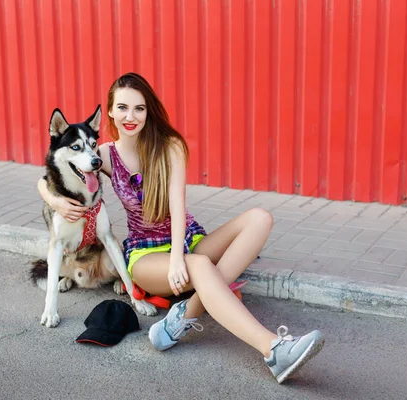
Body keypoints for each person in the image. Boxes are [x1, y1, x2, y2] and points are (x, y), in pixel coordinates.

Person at [38, 72, 324, 383]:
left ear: (149, 112)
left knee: (260, 218)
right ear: (109, 111)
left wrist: (177, 258)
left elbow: (177, 206)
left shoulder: (169, 147)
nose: (129, 117)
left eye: (138, 108)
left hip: (186, 240)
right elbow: (46, 177)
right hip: (145, 256)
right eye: (122, 108)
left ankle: (183, 317)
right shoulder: (104, 154)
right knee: (200, 265)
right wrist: (53, 202)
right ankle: (274, 350)